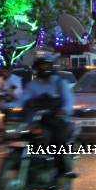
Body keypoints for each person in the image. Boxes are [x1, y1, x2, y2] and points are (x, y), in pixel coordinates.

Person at [20, 50, 76, 178]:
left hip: (58, 120)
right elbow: (22, 100)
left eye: (46, 65)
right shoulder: (32, 85)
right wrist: (5, 105)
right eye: (40, 65)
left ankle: (63, 171)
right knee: (24, 137)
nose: (43, 68)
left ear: (51, 66)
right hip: (38, 120)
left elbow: (68, 100)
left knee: (57, 142)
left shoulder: (60, 83)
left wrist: (64, 110)